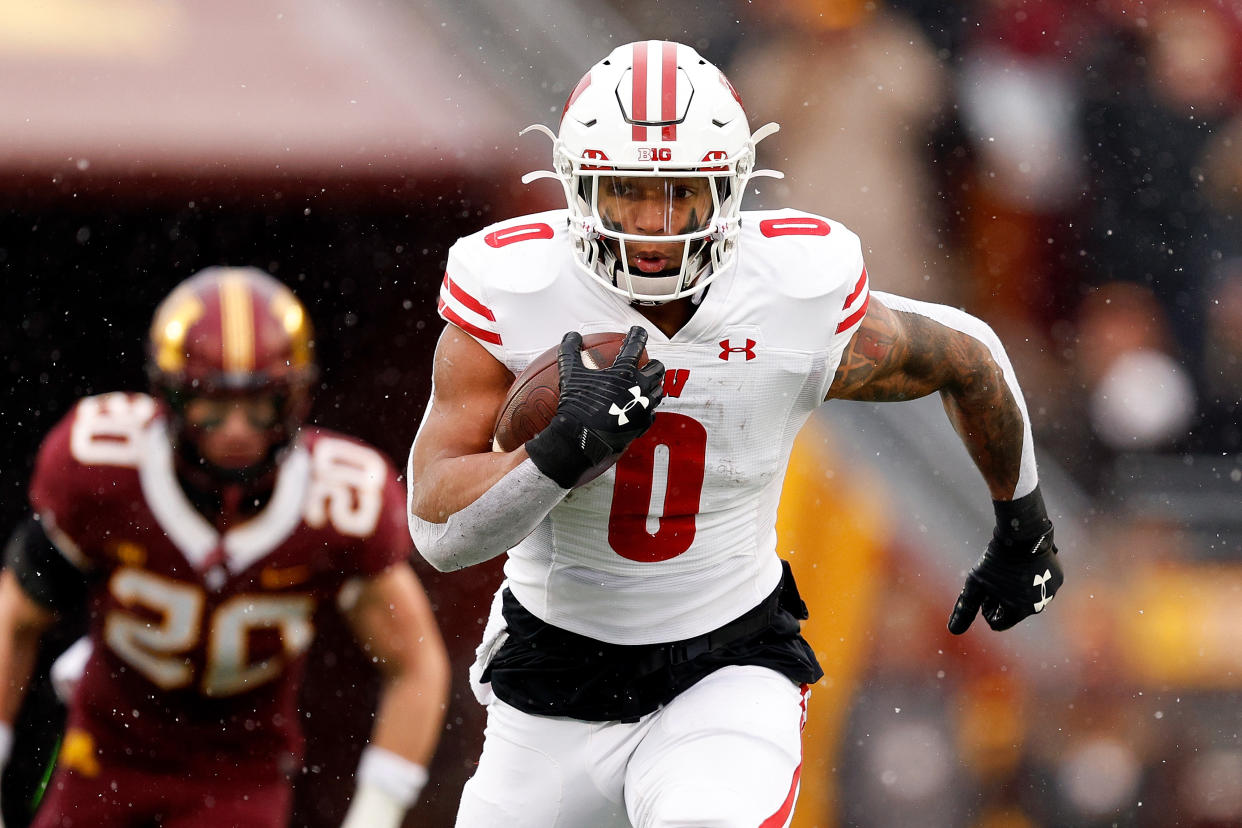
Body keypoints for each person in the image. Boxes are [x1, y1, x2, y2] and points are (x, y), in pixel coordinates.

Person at [407, 40, 1065, 827]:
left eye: (681, 194)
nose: (653, 229)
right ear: (578, 185)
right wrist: (552, 457)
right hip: (550, 682)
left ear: (731, 188)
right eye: (626, 192)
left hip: (723, 667)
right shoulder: (517, 293)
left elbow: (967, 354)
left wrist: (1023, 527)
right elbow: (438, 529)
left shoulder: (787, 293)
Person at [0, 267, 450, 828]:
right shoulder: (101, 469)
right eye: (211, 403)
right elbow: (17, 616)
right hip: (106, 750)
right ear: (167, 392)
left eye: (261, 404)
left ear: (297, 397)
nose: (237, 429)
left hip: (240, 774)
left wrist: (375, 815)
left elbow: (416, 663)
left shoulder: (340, 503)